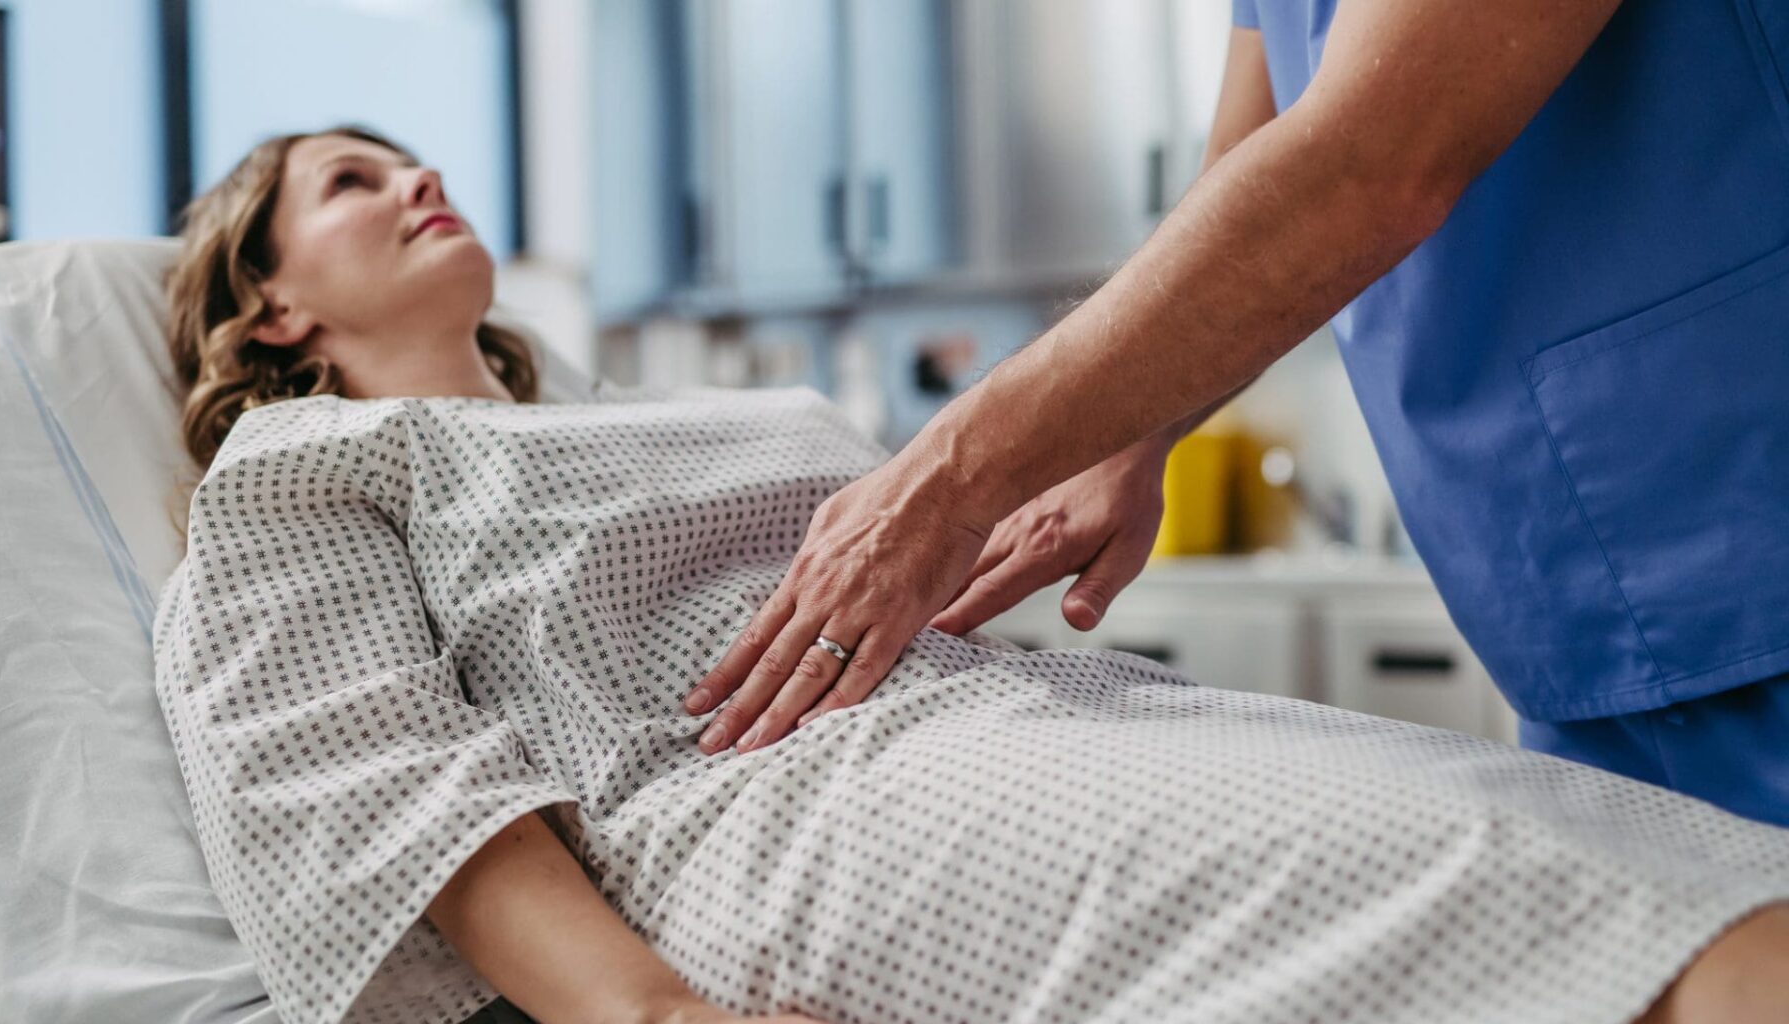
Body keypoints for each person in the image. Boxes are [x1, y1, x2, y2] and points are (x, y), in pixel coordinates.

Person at [156, 125, 1789, 1024]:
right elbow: (372, 780)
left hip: (1043, 717)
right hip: (786, 806)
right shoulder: (303, 468)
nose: (418, 179)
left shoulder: (674, 418)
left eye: (408, 158)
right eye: (350, 183)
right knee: (1538, 891)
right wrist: (649, 1018)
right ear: (273, 307)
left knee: (1608, 846)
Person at [687, 0, 1789, 830]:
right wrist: (1130, 433)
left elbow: (1370, 160)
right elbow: (1250, 164)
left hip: (1737, 519)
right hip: (1578, 613)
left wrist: (946, 474)